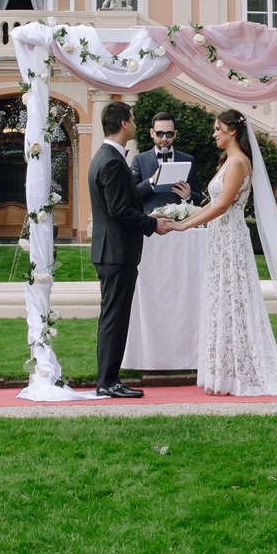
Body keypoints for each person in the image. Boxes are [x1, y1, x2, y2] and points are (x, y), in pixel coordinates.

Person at [170, 109, 277, 398]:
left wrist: (184, 226)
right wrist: (184, 222)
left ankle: (238, 373)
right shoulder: (228, 162)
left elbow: (221, 206)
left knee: (233, 299)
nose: (214, 134)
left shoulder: (236, 163)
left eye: (218, 129)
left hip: (230, 236)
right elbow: (213, 204)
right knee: (223, 299)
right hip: (220, 236)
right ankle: (225, 372)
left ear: (233, 131)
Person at [87, 100, 177, 399]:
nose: (136, 125)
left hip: (111, 250)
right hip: (116, 252)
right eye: (134, 120)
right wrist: (152, 225)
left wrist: (146, 219)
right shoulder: (112, 161)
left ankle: (107, 378)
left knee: (112, 316)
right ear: (124, 123)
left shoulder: (105, 156)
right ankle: (108, 381)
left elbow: (120, 206)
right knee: (115, 317)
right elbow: (119, 210)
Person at [133, 115, 195, 207]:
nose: (164, 138)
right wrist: (151, 180)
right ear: (151, 133)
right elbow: (131, 195)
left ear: (175, 134)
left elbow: (198, 197)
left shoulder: (187, 160)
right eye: (159, 133)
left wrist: (189, 195)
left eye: (169, 134)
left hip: (180, 219)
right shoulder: (139, 160)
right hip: (150, 219)